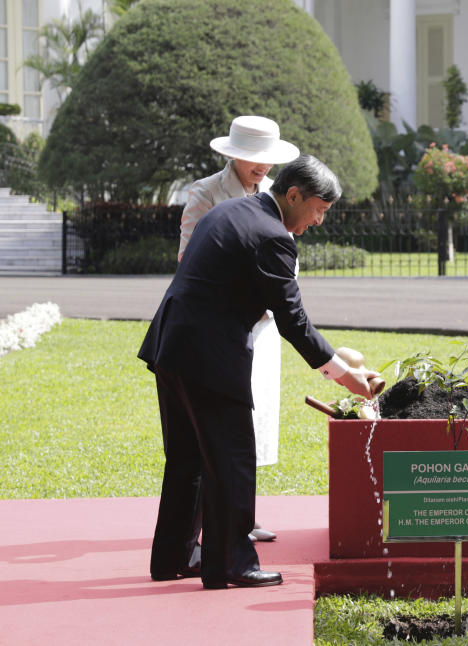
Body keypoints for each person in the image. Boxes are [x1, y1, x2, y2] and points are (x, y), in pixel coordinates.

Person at [139, 155, 378, 589]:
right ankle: (232, 563)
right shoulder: (272, 236)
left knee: (188, 460)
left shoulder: (231, 210)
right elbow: (294, 322)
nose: (320, 221)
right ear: (293, 195)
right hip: (209, 358)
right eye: (319, 210)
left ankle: (174, 556)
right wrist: (344, 375)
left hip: (171, 347)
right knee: (232, 461)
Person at [178, 115, 299, 543]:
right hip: (221, 324)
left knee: (253, 419)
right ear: (233, 155)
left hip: (263, 325)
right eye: (252, 159)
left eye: (266, 160)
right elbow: (190, 258)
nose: (260, 167)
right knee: (218, 426)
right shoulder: (206, 192)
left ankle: (239, 515)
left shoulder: (273, 194)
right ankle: (219, 520)